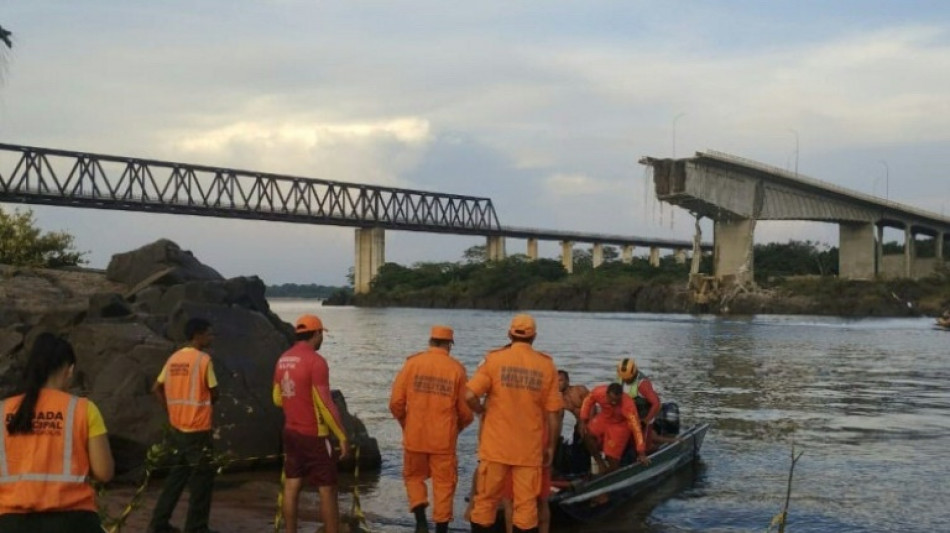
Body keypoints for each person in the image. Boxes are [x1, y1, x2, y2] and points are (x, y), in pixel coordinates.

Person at [0, 333, 114, 532]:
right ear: (69, 370)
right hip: (74, 521)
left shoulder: (3, 410)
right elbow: (104, 472)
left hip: (12, 522)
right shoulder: (83, 409)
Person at [466, 314, 563, 533]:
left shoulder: (494, 360)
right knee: (526, 506)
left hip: (495, 447)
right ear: (534, 337)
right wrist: (550, 447)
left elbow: (469, 396)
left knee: (485, 502)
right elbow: (554, 413)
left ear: (509, 334)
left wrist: (482, 412)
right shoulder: (546, 366)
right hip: (528, 450)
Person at [389, 325, 474, 533]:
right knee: (444, 485)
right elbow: (466, 412)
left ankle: (420, 521)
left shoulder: (412, 364)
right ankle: (441, 529)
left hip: (415, 436)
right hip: (443, 440)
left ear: (430, 341)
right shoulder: (457, 369)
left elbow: (395, 403)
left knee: (413, 477)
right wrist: (458, 429)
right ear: (449, 345)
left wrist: (406, 425)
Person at [273, 314, 349, 533]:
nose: (321, 339)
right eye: (321, 335)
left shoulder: (283, 359)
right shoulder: (316, 361)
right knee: (327, 489)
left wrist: (296, 402)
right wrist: (342, 436)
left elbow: (277, 398)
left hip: (290, 431)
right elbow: (325, 404)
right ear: (316, 334)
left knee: (292, 484)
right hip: (314, 434)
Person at [149, 318, 219, 533]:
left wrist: (171, 410)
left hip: (177, 427)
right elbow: (214, 391)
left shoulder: (174, 359)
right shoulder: (203, 360)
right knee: (202, 479)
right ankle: (196, 527)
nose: (211, 337)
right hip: (197, 429)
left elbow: (156, 388)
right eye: (208, 333)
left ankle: (159, 523)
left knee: (176, 478)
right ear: (197, 335)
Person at [578, 383, 649, 474]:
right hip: (604, 417)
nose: (614, 403)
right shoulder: (598, 392)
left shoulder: (628, 405)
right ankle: (600, 464)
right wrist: (583, 420)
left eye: (616, 401)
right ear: (606, 394)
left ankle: (612, 473)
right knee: (586, 433)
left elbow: (636, 428)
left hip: (620, 425)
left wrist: (641, 452)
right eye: (611, 400)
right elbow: (588, 401)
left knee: (611, 456)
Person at [616, 358, 662, 451]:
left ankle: (654, 448)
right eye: (624, 378)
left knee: (644, 447)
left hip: (645, 414)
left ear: (633, 374)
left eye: (628, 379)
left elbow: (656, 404)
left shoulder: (643, 384)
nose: (626, 380)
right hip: (630, 415)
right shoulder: (621, 378)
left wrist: (646, 421)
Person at [556, 370, 590, 474]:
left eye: (561, 380)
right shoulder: (559, 399)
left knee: (585, 435)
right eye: (555, 381)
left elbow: (592, 405)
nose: (558, 383)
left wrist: (585, 423)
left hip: (592, 419)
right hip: (578, 424)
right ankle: (579, 472)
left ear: (567, 381)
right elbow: (559, 417)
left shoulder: (579, 390)